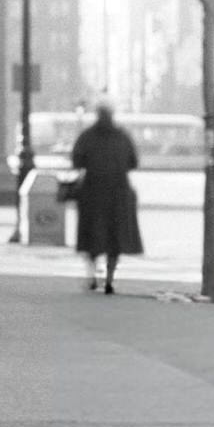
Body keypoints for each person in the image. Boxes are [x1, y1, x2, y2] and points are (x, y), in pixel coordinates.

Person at [71, 99, 143, 294]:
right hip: (119, 191)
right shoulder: (122, 137)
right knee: (115, 237)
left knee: (91, 235)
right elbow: (133, 162)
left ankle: (93, 275)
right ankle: (110, 278)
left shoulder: (86, 136)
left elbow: (76, 161)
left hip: (92, 190)